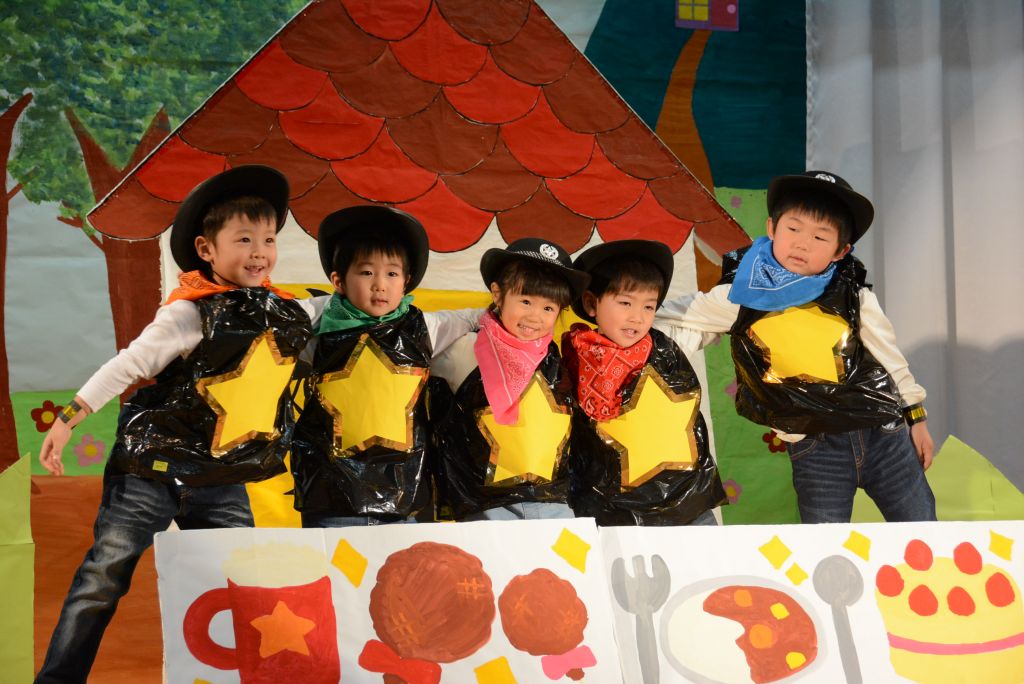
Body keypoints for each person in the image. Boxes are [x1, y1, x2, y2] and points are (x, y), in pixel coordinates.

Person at [35, 165, 324, 683]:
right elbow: (128, 365)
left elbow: (333, 310)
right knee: (102, 579)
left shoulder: (283, 312)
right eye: (244, 239)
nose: (259, 251)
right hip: (152, 470)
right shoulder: (188, 314)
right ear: (207, 249)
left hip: (219, 477)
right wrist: (68, 419)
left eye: (268, 239)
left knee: (246, 583)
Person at [657, 170, 936, 524]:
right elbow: (669, 316)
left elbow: (890, 357)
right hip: (817, 447)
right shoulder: (740, 296)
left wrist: (916, 417)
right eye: (793, 229)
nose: (803, 244)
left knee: (923, 531)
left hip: (883, 434)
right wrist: (618, 321)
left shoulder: (854, 294)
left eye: (820, 236)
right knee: (824, 546)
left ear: (841, 251)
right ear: (772, 228)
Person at [289, 205, 481, 527]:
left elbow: (472, 318)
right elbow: (276, 318)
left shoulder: (424, 328)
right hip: (334, 496)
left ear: (406, 282)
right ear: (338, 280)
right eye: (366, 273)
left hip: (403, 495)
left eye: (392, 274)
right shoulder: (320, 330)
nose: (380, 284)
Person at [562, 239, 727, 525]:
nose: (637, 318)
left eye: (649, 307)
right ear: (591, 303)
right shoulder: (572, 362)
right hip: (616, 517)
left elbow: (725, 309)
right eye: (625, 303)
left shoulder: (669, 344)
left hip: (689, 508)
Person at [430, 238, 590, 521]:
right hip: (486, 509)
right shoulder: (465, 349)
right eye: (525, 301)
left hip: (554, 506)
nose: (535, 316)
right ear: (497, 294)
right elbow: (410, 344)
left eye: (548, 308)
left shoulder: (562, 359)